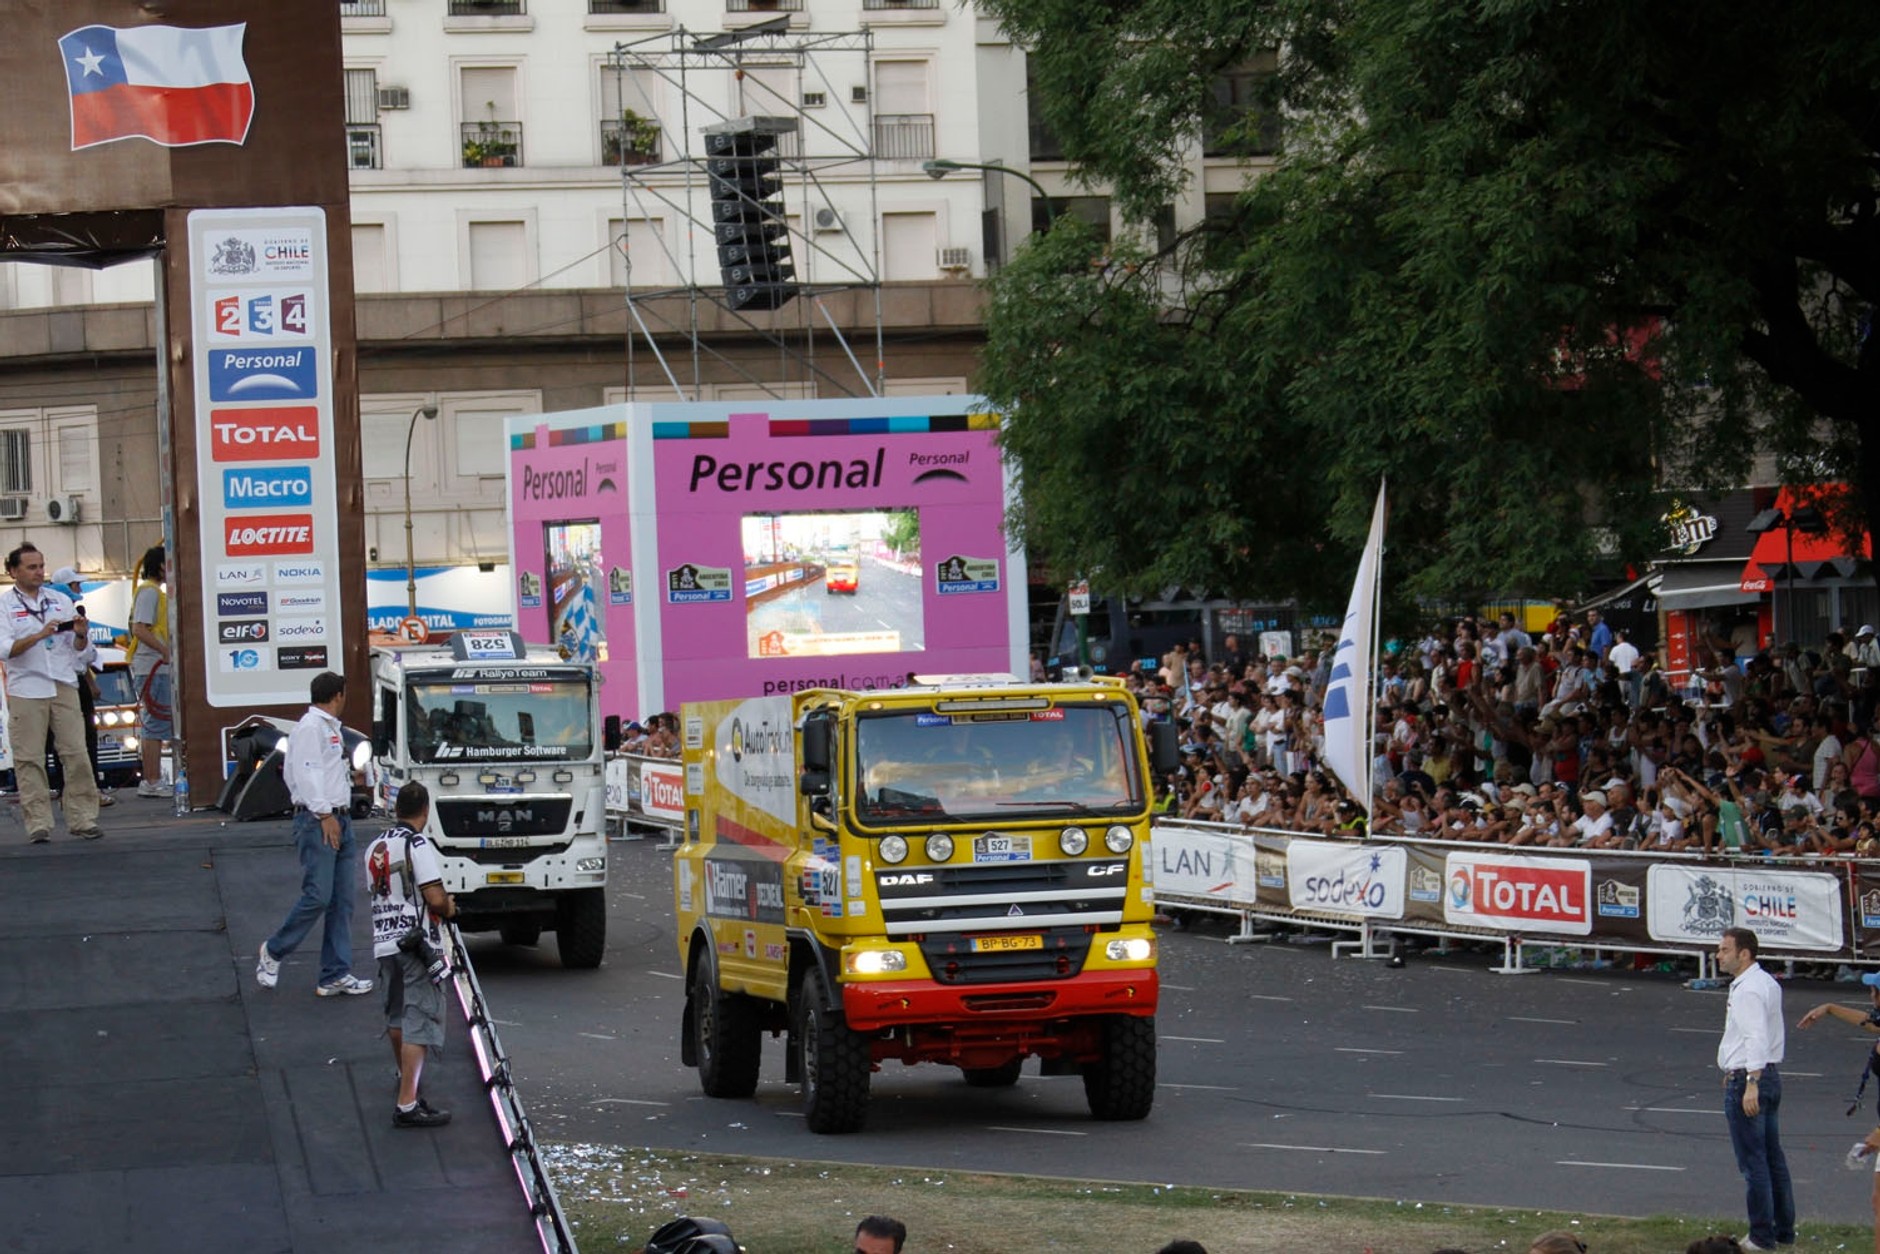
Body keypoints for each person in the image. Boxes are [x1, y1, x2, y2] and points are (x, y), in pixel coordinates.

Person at [256, 672, 374, 997]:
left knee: (341, 901)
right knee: (319, 895)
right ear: (338, 695)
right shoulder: (310, 728)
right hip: (320, 819)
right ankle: (274, 950)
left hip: (339, 816)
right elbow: (307, 775)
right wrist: (324, 814)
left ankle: (334, 973)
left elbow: (316, 772)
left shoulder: (327, 728)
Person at [364, 781, 456, 1128]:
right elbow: (434, 898)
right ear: (425, 811)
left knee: (396, 1014)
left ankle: (407, 1081)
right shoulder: (416, 843)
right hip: (416, 944)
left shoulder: (374, 845)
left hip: (383, 941)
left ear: (395, 808)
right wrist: (450, 906)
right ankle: (407, 1104)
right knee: (420, 1017)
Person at [0, 543, 104, 842]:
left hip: (62, 683)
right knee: (29, 757)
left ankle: (83, 818)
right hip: (26, 687)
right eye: (31, 567)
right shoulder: (5, 606)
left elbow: (81, 653)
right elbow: (6, 650)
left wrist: (81, 635)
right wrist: (39, 635)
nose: (38, 572)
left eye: (41, 566)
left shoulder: (60, 601)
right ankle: (38, 823)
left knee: (77, 753)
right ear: (13, 571)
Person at [1716, 926, 1794, 1251]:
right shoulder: (1766, 982)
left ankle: (1761, 1236)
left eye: (1724, 949)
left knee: (1754, 1163)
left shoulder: (1747, 989)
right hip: (1767, 1075)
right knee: (1773, 1158)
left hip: (1752, 1079)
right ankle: (1783, 1230)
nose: (1718, 955)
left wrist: (1749, 1080)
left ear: (1743, 953)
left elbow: (1755, 1037)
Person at [48, 566, 112, 807]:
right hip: (66, 681)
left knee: (71, 740)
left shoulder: (72, 614)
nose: (80, 589)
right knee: (81, 740)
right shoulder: (64, 614)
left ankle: (74, 789)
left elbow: (81, 653)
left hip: (71, 680)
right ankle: (85, 789)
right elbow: (77, 656)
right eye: (76, 585)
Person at [127, 544, 173, 798]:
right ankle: (152, 780)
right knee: (154, 723)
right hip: (152, 666)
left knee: (159, 722)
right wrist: (164, 651)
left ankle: (153, 779)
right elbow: (140, 628)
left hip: (158, 666)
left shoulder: (156, 592)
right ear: (161, 565)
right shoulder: (149, 592)